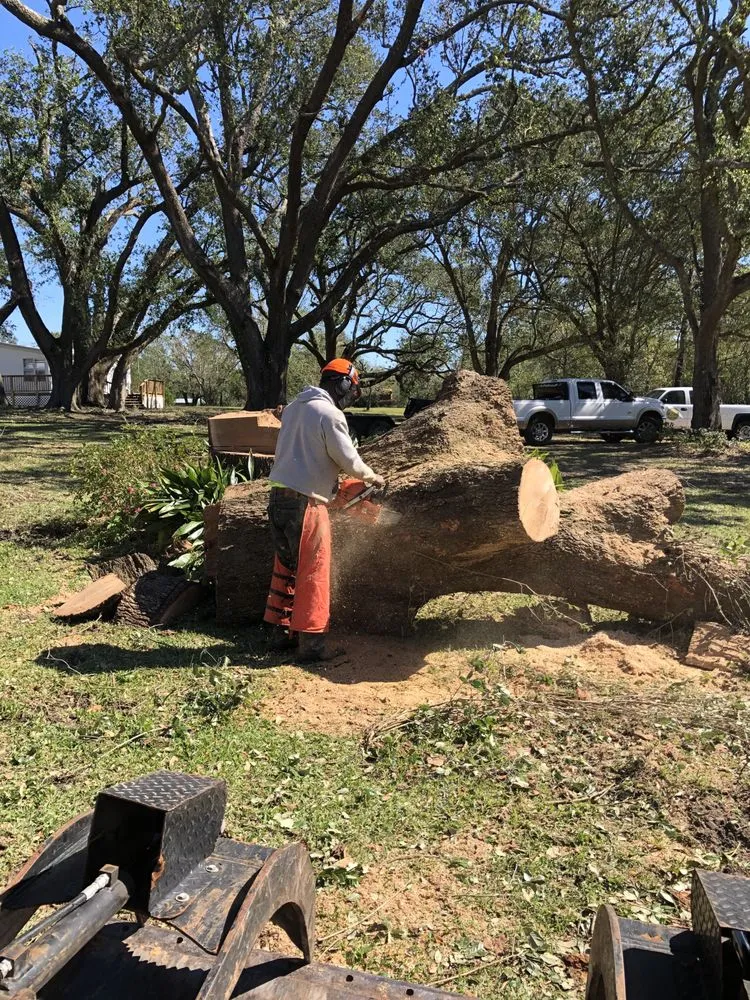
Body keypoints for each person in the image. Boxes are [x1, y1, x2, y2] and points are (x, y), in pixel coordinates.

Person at [264, 359, 385, 662]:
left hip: (278, 499)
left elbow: (306, 452)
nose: (350, 396)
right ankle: (313, 646)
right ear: (342, 383)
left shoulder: (293, 408)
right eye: (352, 390)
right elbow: (348, 459)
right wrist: (372, 477)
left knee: (286, 567)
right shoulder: (329, 413)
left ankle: (280, 635)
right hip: (307, 504)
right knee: (314, 571)